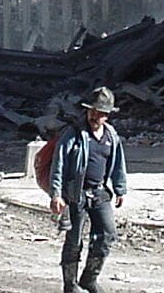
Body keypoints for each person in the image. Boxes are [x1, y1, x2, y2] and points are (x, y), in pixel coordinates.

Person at [48, 86, 127, 293]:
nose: (95, 116)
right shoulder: (73, 134)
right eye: (92, 111)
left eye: (100, 113)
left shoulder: (111, 136)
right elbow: (59, 164)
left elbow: (118, 164)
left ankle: (89, 279)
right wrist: (56, 194)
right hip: (76, 195)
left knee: (107, 234)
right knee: (74, 240)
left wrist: (120, 189)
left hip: (99, 192)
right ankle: (70, 285)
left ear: (107, 115)